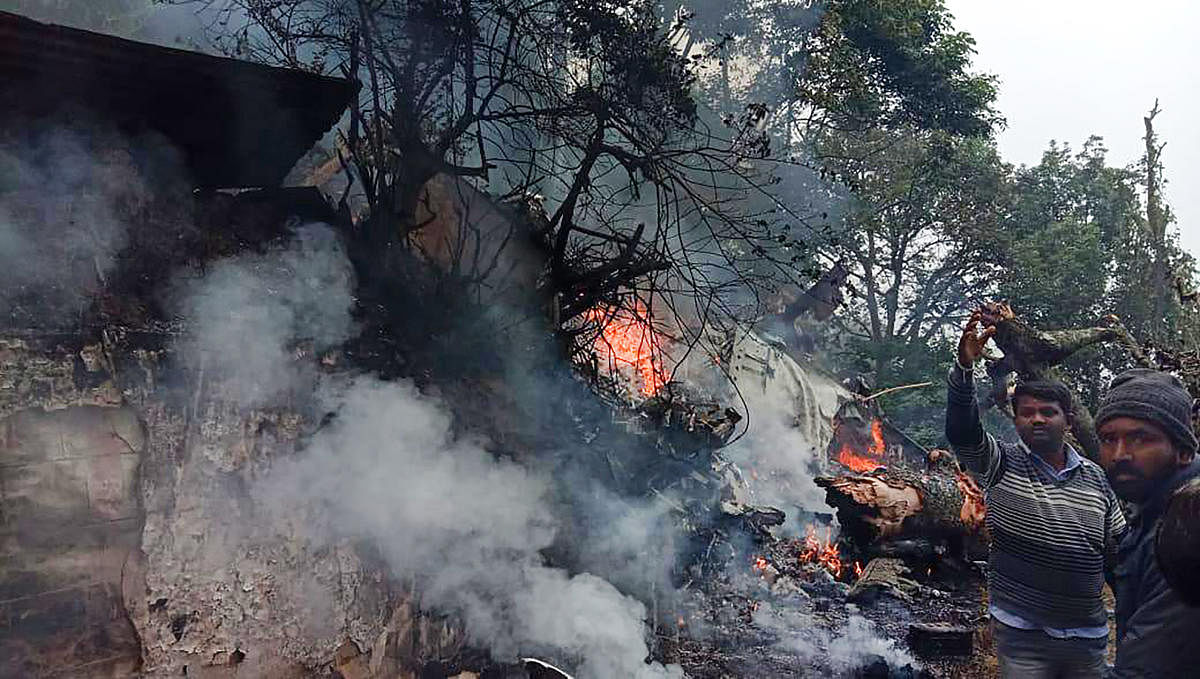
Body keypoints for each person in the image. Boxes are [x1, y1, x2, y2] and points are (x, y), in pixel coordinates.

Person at [947, 313, 1125, 678]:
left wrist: (1135, 616)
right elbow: (963, 434)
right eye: (1027, 413)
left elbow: (1118, 554)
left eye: (1048, 412)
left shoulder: (1096, 479)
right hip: (1021, 633)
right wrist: (964, 368)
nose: (1038, 419)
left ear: (1068, 421)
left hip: (1086, 637)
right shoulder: (1002, 462)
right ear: (1016, 420)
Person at [1094, 369, 1200, 677]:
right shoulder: (1153, 508)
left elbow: (1149, 668)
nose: (1120, 454)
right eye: (1109, 439)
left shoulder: (1188, 523)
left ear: (1182, 451)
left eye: (1141, 438)